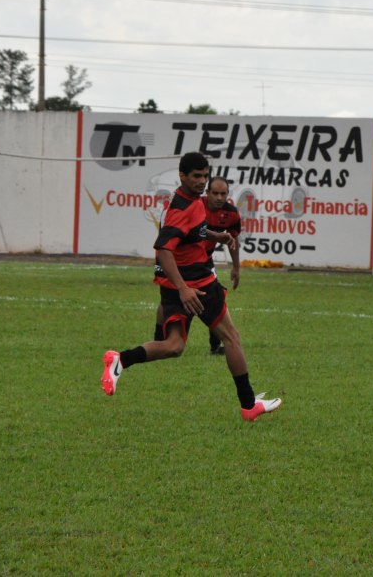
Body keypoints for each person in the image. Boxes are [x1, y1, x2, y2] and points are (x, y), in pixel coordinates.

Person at [101, 152, 281, 422]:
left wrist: (214, 235)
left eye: (204, 176)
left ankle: (121, 360)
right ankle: (248, 405)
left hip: (176, 282)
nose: (201, 181)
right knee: (232, 337)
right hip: (195, 281)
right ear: (182, 175)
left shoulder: (191, 200)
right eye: (196, 176)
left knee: (174, 346)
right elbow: (163, 249)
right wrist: (184, 288)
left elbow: (192, 230)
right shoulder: (181, 209)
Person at [154, 175, 241, 355]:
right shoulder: (194, 205)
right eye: (215, 193)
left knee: (216, 298)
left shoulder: (231, 213)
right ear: (207, 193)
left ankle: (215, 345)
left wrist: (236, 267)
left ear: (228, 195)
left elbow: (233, 240)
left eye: (223, 194)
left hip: (203, 262)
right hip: (180, 259)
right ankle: (159, 339)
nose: (219, 197)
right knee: (169, 296)